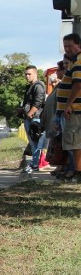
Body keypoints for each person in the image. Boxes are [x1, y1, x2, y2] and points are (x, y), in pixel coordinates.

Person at [61, 33, 81, 182]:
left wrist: (69, 105)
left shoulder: (78, 61)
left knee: (76, 142)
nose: (67, 49)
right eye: (65, 46)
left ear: (78, 45)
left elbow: (78, 84)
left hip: (75, 110)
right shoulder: (75, 61)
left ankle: (78, 172)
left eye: (70, 45)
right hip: (75, 109)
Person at [20, 65, 46, 173]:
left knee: (35, 142)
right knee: (32, 142)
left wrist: (30, 113)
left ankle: (35, 164)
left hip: (35, 118)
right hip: (29, 117)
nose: (27, 76)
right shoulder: (30, 86)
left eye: (29, 74)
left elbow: (38, 102)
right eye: (26, 74)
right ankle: (34, 163)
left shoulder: (38, 86)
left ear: (35, 74)